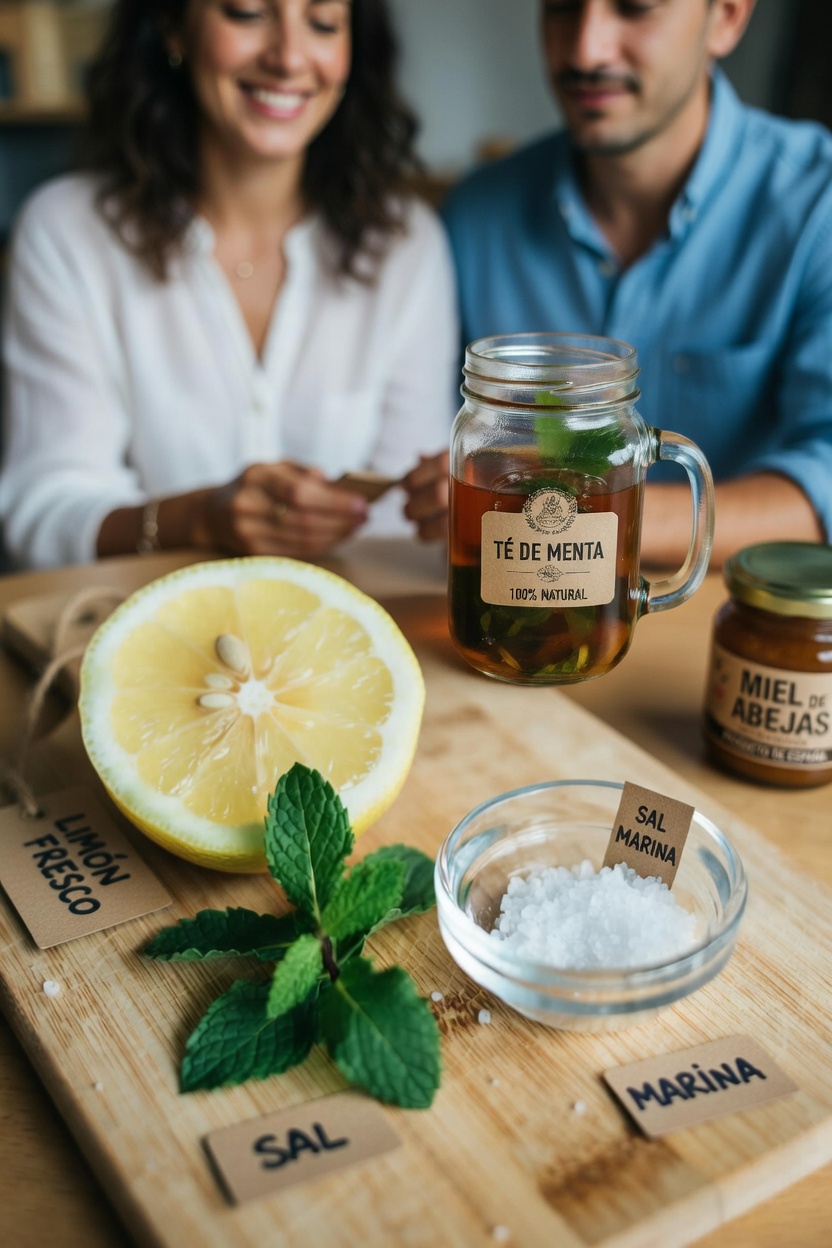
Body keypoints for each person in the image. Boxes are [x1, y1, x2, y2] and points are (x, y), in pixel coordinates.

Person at [0, 0, 458, 569]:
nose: (289, 57)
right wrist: (201, 519)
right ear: (173, 27)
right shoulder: (66, 232)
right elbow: (40, 514)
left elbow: (397, 531)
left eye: (322, 24)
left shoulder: (406, 243)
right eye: (246, 13)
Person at [405, 0, 832, 567]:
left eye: (634, 9)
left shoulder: (817, 208)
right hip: (515, 624)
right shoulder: (474, 218)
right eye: (560, 8)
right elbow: (433, 446)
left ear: (726, 17)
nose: (585, 49)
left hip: (716, 624)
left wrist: (586, 516)